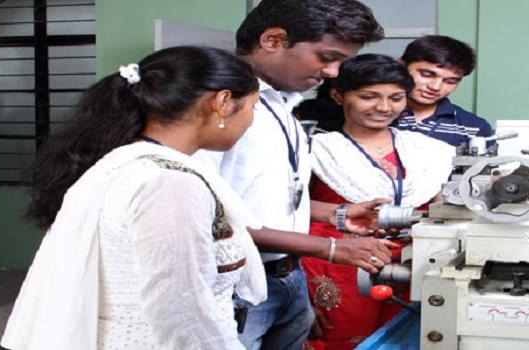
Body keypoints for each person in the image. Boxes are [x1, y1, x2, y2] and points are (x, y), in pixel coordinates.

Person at [1, 46, 393, 350]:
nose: (252, 120)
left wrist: (338, 220)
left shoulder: (135, 161)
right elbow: (181, 313)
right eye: (253, 108)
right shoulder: (170, 184)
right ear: (222, 103)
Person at [194, 1, 388, 349]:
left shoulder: (281, 104)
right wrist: (329, 247)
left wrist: (336, 213)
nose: (332, 72)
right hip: (239, 283)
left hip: (288, 277)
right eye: (326, 57)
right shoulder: (220, 107)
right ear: (273, 40)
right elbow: (208, 217)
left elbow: (258, 196)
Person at [300, 54, 455, 350]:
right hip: (335, 269)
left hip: (413, 267)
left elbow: (441, 213)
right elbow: (289, 213)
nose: (384, 107)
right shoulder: (315, 151)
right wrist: (299, 298)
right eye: (368, 97)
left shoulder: (430, 152)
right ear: (338, 96)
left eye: (396, 98)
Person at [393, 35, 495, 147]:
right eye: (427, 75)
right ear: (402, 66)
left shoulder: (475, 127)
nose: (435, 87)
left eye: (450, 81)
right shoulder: (377, 114)